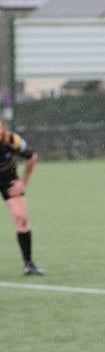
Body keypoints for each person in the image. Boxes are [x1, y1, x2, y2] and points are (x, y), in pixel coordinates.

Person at [0, 118, 41, 275]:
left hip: (8, 179)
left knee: (21, 218)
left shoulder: (12, 140)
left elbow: (31, 157)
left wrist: (23, 182)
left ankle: (28, 264)